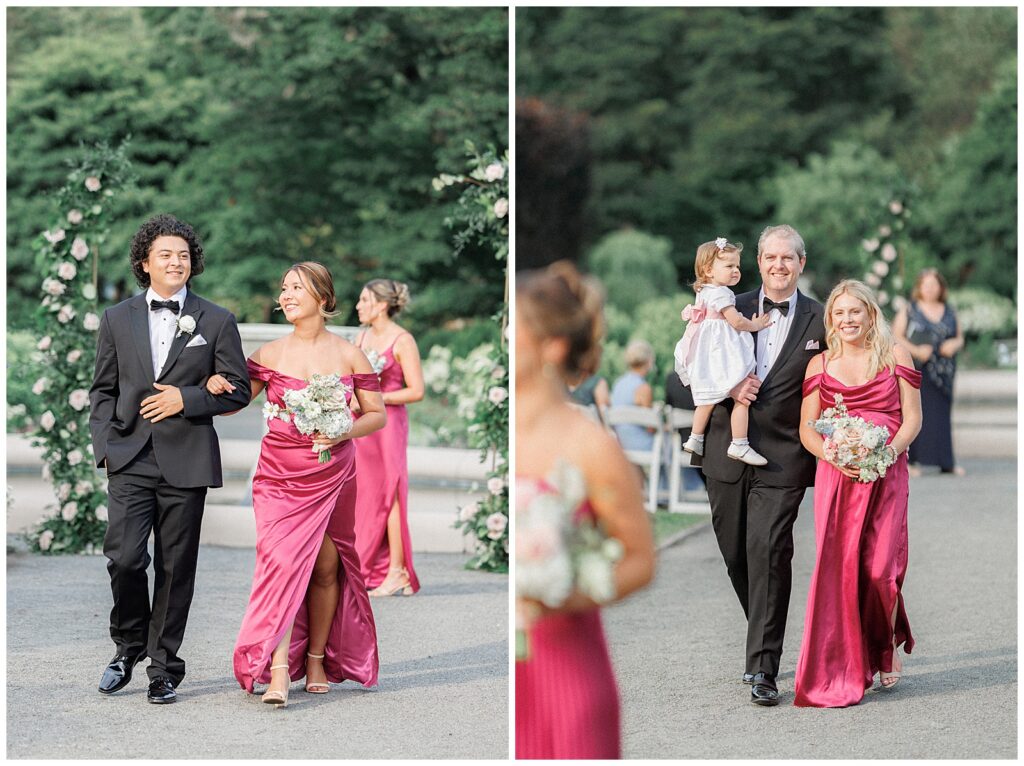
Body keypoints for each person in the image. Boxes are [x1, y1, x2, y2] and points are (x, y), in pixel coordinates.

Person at [206, 262, 387, 706]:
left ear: (322, 298)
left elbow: (376, 414)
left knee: (326, 569)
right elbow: (233, 404)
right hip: (278, 477)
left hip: (333, 473)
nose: (286, 295)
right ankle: (278, 669)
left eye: (296, 288)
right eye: (284, 288)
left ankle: (317, 658)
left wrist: (343, 430)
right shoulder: (267, 355)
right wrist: (214, 383)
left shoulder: (350, 355)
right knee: (283, 565)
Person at [89, 214, 251, 704]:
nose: (176, 262)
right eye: (165, 254)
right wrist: (105, 447)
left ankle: (164, 668)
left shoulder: (217, 320)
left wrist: (189, 398)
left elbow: (238, 389)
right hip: (130, 455)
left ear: (192, 262)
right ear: (145, 262)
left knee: (176, 567)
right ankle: (128, 646)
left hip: (187, 458)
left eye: (183, 255)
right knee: (124, 558)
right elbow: (102, 389)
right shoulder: (117, 318)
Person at [515, 261, 655, 759]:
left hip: (565, 670)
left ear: (552, 346)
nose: (505, 339)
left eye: (515, 329)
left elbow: (640, 560)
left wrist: (565, 592)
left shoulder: (590, 447)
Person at [689, 224, 826, 706]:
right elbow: (689, 367)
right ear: (760, 262)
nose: (778, 265)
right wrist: (728, 388)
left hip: (784, 458)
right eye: (770, 257)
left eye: (788, 257)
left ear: (801, 263)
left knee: (769, 550)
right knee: (736, 555)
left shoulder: (821, 318)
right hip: (725, 450)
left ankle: (763, 667)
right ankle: (764, 631)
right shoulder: (727, 303)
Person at [794, 280, 922, 707]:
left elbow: (912, 419)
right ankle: (848, 660)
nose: (847, 320)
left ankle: (884, 646)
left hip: (887, 474)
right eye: (839, 313)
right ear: (830, 319)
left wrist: (886, 455)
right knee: (843, 570)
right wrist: (833, 454)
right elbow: (807, 430)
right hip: (838, 480)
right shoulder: (819, 365)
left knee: (881, 569)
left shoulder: (895, 355)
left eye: (855, 311)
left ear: (870, 314)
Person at [351, 279, 425, 597]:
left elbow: (417, 390)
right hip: (362, 426)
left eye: (364, 300)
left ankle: (397, 571)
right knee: (367, 494)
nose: (358, 306)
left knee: (390, 493)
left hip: (389, 426)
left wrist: (378, 398)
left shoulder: (403, 340)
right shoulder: (361, 337)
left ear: (381, 305)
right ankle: (374, 568)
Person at [674, 237, 773, 465]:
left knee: (706, 397)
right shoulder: (722, 293)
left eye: (737, 266)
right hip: (721, 350)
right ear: (708, 270)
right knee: (742, 394)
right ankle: (739, 443)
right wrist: (756, 324)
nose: (736, 270)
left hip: (707, 351)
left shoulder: (705, 291)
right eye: (729, 266)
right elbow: (736, 322)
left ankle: (695, 437)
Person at [892, 268, 965, 476]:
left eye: (934, 285)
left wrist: (954, 344)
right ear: (919, 287)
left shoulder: (949, 310)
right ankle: (911, 460)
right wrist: (916, 351)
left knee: (941, 415)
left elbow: (960, 337)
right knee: (914, 411)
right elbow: (896, 336)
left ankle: (946, 461)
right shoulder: (909, 309)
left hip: (944, 372)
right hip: (918, 368)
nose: (930, 289)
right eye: (926, 285)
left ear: (941, 287)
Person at [609, 339, 655, 450]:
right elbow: (651, 427)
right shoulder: (643, 388)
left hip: (621, 445)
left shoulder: (618, 383)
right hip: (642, 446)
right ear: (648, 361)